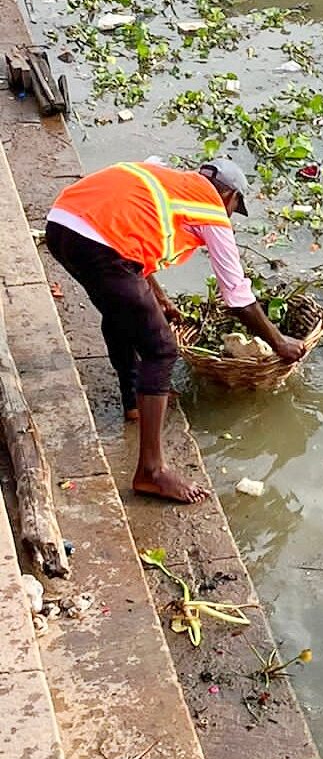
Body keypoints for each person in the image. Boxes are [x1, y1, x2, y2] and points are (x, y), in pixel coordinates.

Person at [45, 158, 305, 504]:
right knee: (162, 349)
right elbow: (238, 298)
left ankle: (133, 402)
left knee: (120, 311)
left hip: (61, 224)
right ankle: (151, 471)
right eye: (234, 208)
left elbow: (128, 232)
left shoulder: (165, 176)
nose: (229, 216)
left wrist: (160, 298)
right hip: (98, 242)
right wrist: (279, 343)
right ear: (226, 196)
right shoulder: (210, 210)